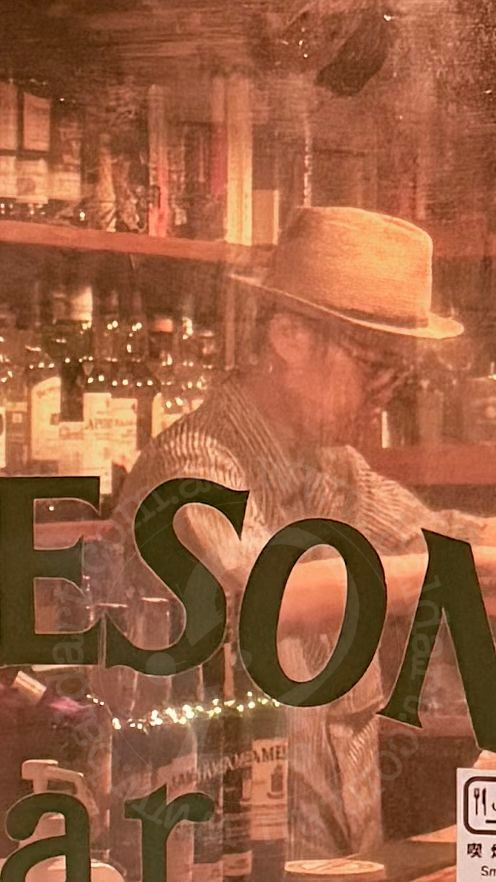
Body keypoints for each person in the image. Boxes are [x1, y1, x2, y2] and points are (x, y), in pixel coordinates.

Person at [111, 207, 496, 859]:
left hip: (337, 855)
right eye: (376, 366)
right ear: (289, 337)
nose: (386, 394)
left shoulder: (335, 469)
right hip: (208, 861)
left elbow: (452, 534)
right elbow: (262, 593)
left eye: (401, 374)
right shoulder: (190, 468)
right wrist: (450, 570)